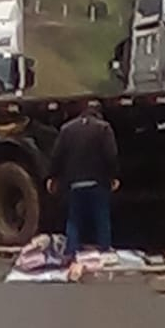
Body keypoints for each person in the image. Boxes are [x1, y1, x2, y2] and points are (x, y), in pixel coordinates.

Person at [47, 100, 120, 258]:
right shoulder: (104, 128)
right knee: (101, 218)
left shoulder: (67, 129)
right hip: (97, 182)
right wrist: (113, 176)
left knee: (74, 220)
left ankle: (71, 251)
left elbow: (57, 155)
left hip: (75, 183)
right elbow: (111, 155)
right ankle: (104, 251)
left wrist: (53, 177)